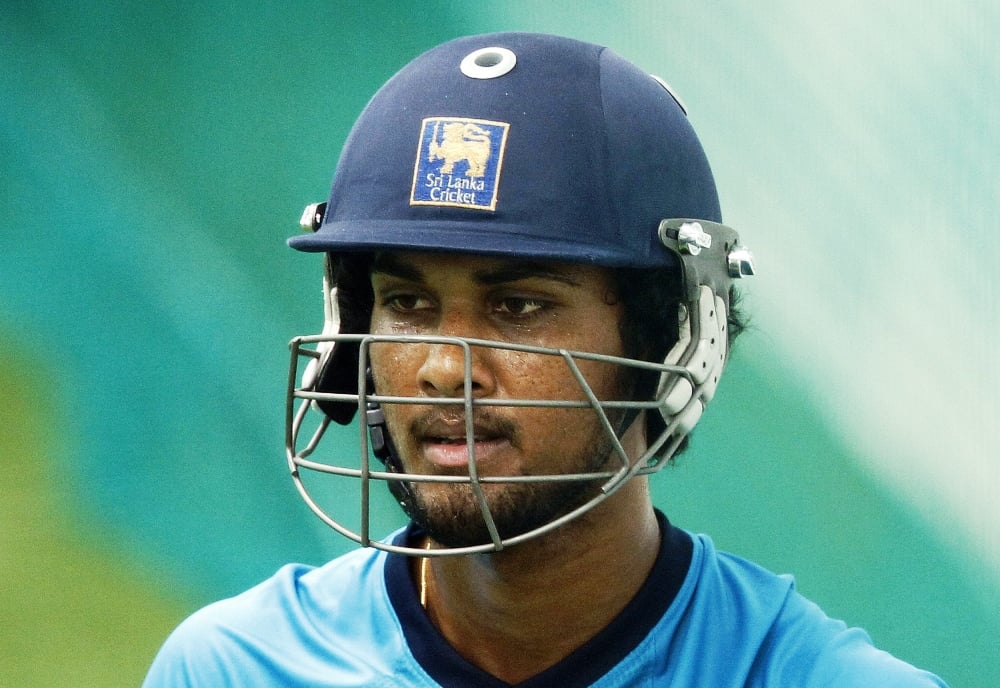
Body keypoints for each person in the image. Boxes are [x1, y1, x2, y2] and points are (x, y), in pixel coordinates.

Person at [143, 32, 949, 687]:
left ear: (673, 337)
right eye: (407, 301)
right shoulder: (233, 669)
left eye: (518, 306)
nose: (445, 369)